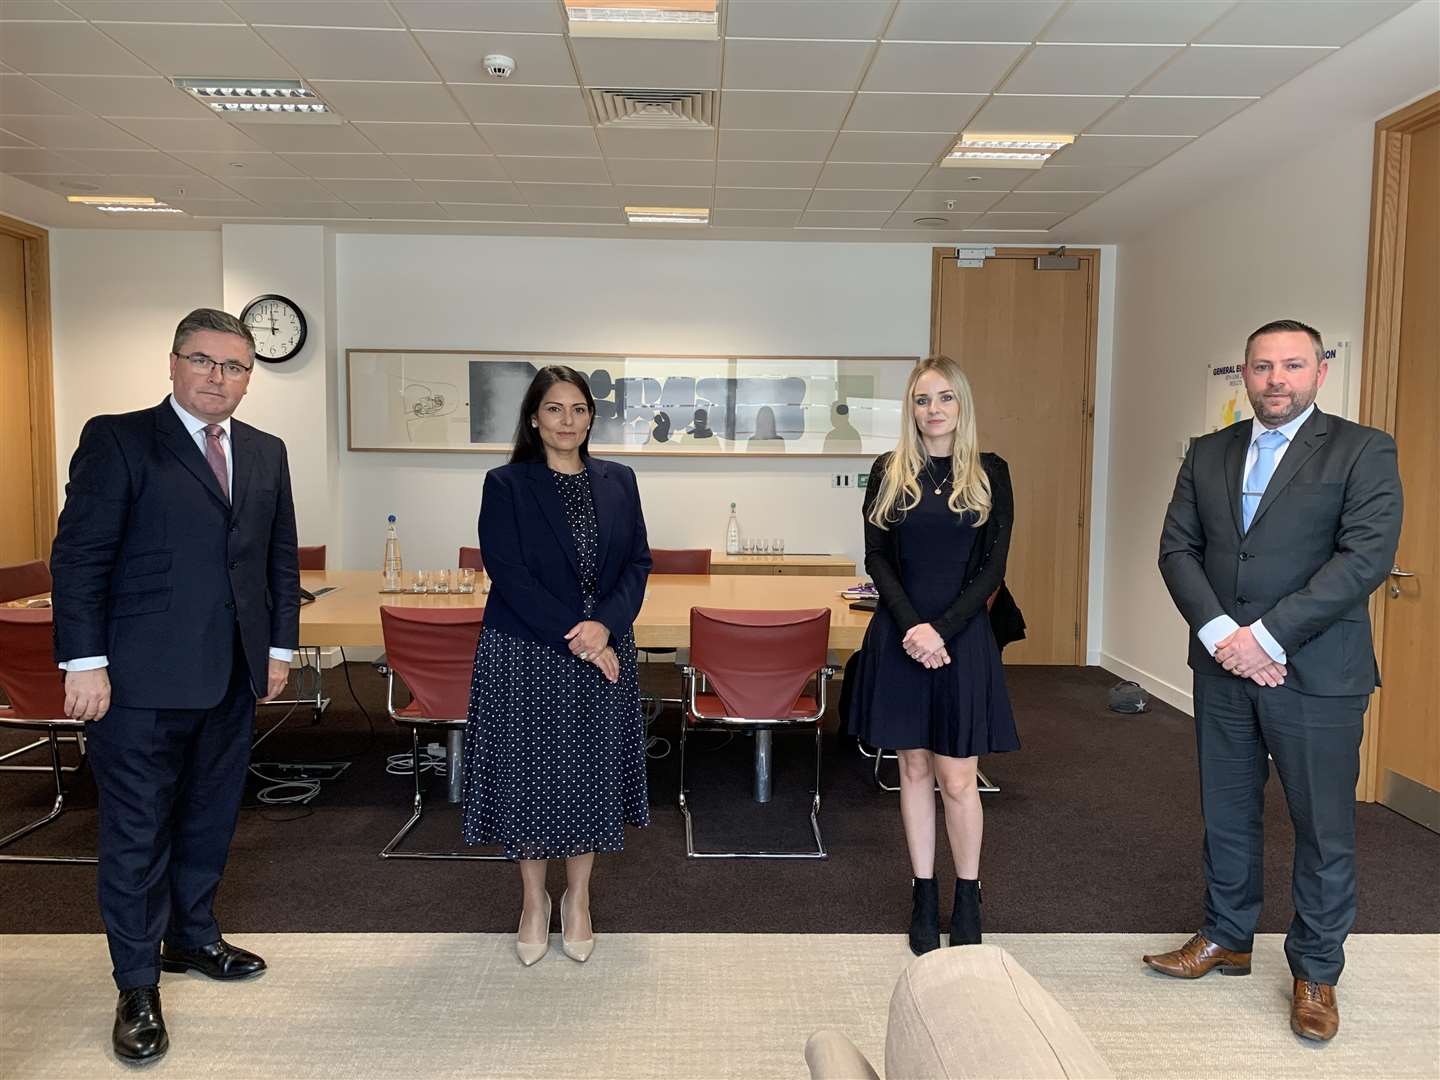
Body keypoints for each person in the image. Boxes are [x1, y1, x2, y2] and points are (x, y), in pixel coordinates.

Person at [49, 308, 299, 1063]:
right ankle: (135, 984)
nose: (219, 378)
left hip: (229, 674)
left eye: (235, 367)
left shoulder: (264, 450)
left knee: (209, 818)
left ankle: (192, 937)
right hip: (137, 680)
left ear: (250, 377)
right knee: (135, 832)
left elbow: (275, 559)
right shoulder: (119, 439)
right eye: (205, 361)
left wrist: (279, 647)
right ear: (172, 363)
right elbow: (79, 558)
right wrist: (83, 662)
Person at [1151, 319, 1403, 1042]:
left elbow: (1363, 560)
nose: (1276, 380)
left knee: (1323, 828)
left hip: (1317, 672)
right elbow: (1178, 549)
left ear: (1321, 371)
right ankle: (1226, 936)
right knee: (1227, 812)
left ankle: (1316, 972)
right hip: (1224, 669)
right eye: (1262, 367)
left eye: (1292, 365)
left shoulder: (1362, 450)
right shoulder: (1208, 452)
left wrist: (1262, 638)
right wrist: (1221, 637)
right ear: (1246, 373)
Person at [463, 365, 652, 966]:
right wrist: (586, 640)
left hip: (603, 650)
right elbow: (509, 575)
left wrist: (606, 630)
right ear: (533, 418)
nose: (567, 421)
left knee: (589, 779)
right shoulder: (507, 484)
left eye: (578, 409)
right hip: (527, 652)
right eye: (554, 410)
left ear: (591, 417)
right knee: (529, 779)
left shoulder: (620, 480)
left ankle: (578, 899)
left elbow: (637, 566)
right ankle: (531, 901)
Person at [848, 355, 1019, 956]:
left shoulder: (990, 472)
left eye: (944, 398)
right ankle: (924, 891)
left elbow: (993, 567)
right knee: (913, 770)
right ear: (910, 409)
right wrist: (913, 626)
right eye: (922, 399)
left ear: (961, 406)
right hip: (900, 635)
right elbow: (877, 557)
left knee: (957, 776)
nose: (933, 409)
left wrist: (940, 630)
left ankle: (967, 893)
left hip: (962, 639)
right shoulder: (888, 470)